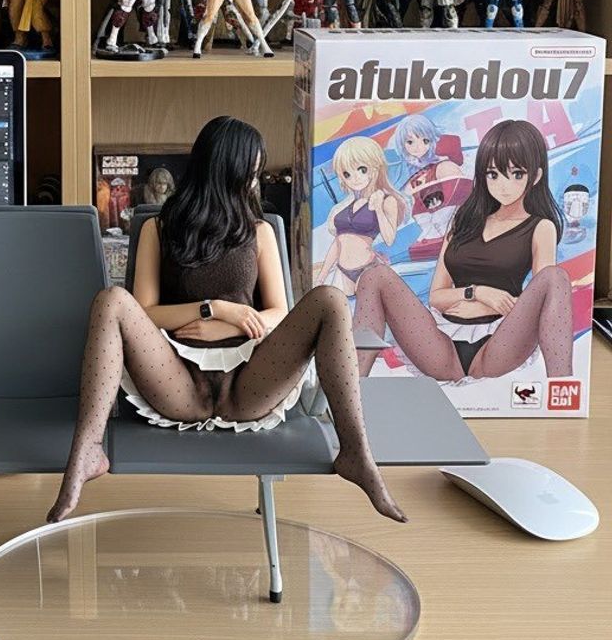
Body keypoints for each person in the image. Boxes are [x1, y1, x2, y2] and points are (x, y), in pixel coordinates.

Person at [48, 116, 407, 525]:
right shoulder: (158, 229)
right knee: (111, 300)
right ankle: (88, 449)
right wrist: (213, 309)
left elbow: (279, 313)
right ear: (223, 169)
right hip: (179, 384)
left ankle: (356, 452)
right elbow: (145, 313)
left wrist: (236, 321)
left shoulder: (259, 232)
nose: (255, 182)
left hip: (247, 384)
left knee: (331, 300)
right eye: (250, 172)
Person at [353, 120, 574, 385]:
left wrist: (494, 302)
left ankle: (563, 390)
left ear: (535, 176)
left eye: (516, 174)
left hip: (498, 343)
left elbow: (540, 298)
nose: (503, 185)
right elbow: (437, 297)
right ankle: (352, 389)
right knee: (374, 276)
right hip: (443, 345)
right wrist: (477, 293)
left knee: (555, 276)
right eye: (493, 174)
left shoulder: (540, 227)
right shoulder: (461, 222)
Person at [314, 136, 406, 295]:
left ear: (375, 168)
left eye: (362, 170)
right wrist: (321, 276)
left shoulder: (386, 200)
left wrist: (378, 208)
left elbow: (389, 239)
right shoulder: (345, 206)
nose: (355, 178)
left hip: (368, 268)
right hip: (342, 271)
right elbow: (338, 242)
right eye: (347, 174)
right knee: (336, 308)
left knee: (366, 308)